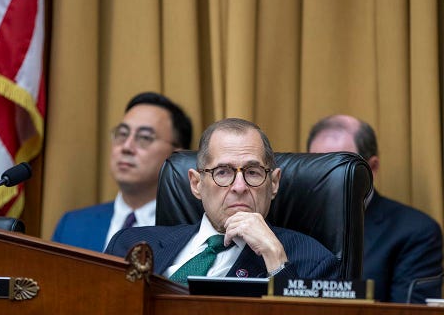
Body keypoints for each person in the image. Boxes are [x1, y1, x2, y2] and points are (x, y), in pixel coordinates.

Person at [105, 118, 339, 283]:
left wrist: (276, 262)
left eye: (253, 172)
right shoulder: (130, 245)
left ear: (274, 183)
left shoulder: (314, 262)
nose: (239, 187)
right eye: (223, 172)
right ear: (197, 184)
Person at [307, 114, 443, 303]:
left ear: (372, 168)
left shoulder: (415, 232)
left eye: (338, 165)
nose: (325, 177)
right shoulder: (289, 220)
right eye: (317, 165)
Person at [52, 92, 192, 252]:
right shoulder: (72, 225)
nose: (126, 147)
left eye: (144, 137)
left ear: (177, 156)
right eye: (122, 134)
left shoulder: (191, 233)